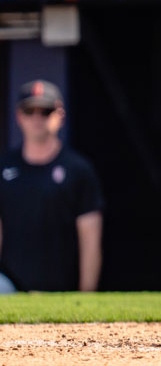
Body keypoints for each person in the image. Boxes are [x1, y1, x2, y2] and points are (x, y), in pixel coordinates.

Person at [0, 80, 103, 293]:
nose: (37, 118)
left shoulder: (78, 170)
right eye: (30, 111)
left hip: (61, 290)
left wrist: (86, 296)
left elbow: (90, 240)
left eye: (45, 111)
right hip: (9, 285)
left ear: (60, 115)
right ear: (19, 116)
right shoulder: (4, 168)